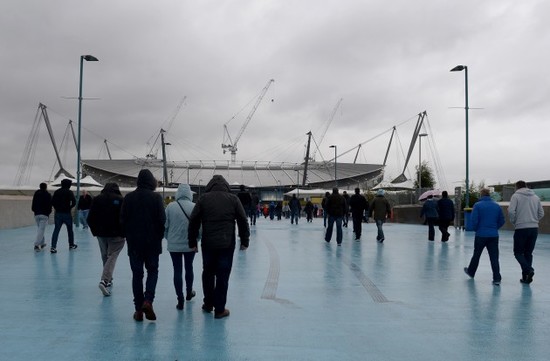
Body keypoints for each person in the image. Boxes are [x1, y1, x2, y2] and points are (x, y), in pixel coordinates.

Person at [188, 175, 250, 319]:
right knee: (223, 275)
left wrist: (192, 242)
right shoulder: (233, 199)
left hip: (208, 242)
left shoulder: (203, 198)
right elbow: (242, 219)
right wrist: (245, 240)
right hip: (226, 243)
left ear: (210, 186)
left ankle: (209, 303)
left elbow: (194, 220)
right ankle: (220, 309)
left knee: (208, 273)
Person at [121, 169, 166, 322]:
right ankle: (148, 301)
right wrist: (158, 237)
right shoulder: (156, 198)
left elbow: (122, 220)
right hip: (152, 243)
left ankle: (138, 310)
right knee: (153, 271)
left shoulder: (128, 198)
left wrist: (128, 236)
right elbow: (162, 220)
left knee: (137, 275)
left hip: (134, 244)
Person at [87, 183, 125, 297]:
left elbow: (90, 217)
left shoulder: (97, 199)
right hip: (116, 234)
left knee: (105, 256)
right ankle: (105, 280)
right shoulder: (120, 200)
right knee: (112, 256)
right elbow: (124, 217)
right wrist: (123, 232)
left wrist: (95, 231)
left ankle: (109, 278)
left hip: (101, 233)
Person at [164, 184, 197, 310]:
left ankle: (180, 298)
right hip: (190, 244)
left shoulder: (170, 207)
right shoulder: (194, 207)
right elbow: (198, 228)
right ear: (189, 194)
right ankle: (189, 292)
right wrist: (196, 240)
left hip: (174, 245)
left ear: (178, 193)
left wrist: (169, 238)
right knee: (189, 268)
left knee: (177, 270)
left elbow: (165, 225)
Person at [464, 188, 505, 285]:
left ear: (481, 195)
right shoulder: (496, 206)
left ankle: (471, 272)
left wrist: (476, 229)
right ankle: (497, 278)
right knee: (494, 257)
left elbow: (474, 220)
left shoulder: (477, 205)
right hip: (494, 235)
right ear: (489, 195)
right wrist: (495, 228)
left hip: (481, 234)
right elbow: (502, 220)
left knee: (476, 255)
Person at [508, 180, 544, 284]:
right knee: (528, 253)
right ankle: (526, 278)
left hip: (521, 228)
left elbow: (511, 211)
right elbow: (541, 213)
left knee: (518, 253)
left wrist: (515, 221)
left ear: (517, 187)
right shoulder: (536, 197)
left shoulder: (516, 196)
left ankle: (528, 270)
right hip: (534, 229)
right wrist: (534, 220)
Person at [50, 178, 77, 253]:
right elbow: (74, 202)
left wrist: (57, 208)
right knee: (70, 230)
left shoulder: (57, 192)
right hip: (67, 213)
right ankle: (71, 244)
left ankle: (53, 247)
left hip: (58, 213)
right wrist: (69, 207)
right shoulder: (69, 192)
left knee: (56, 230)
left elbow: (52, 202)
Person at [31, 182, 52, 251]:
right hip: (44, 214)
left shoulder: (36, 194)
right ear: (46, 187)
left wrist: (34, 210)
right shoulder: (48, 195)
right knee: (41, 229)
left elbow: (33, 203)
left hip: (36, 213)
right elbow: (49, 205)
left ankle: (42, 243)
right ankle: (36, 245)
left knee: (40, 229)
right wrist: (48, 212)